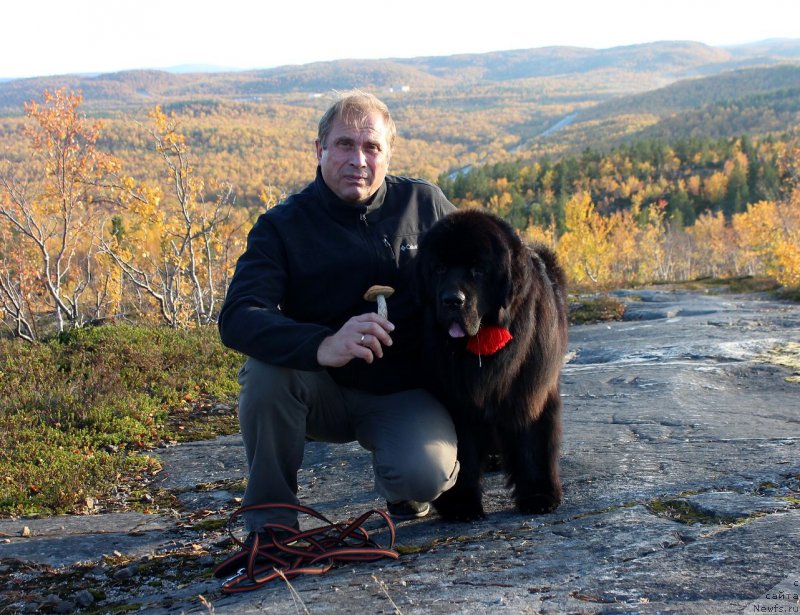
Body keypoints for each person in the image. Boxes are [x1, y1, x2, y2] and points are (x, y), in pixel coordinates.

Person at [218, 91, 460, 540]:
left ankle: (402, 487)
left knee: (424, 475)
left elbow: (480, 269)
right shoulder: (282, 226)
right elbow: (239, 315)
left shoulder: (424, 206)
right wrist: (321, 345)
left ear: (388, 154)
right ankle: (270, 527)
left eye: (372, 148)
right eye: (345, 145)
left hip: (404, 390)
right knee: (267, 375)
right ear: (320, 149)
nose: (359, 160)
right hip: (319, 388)